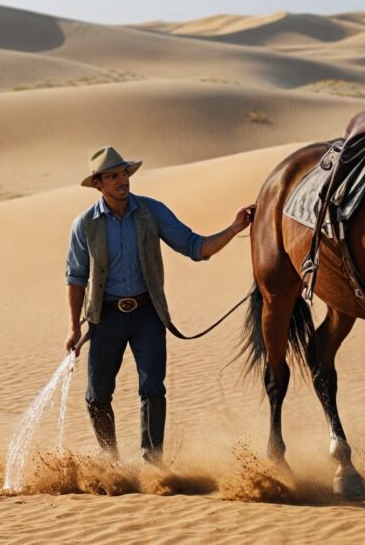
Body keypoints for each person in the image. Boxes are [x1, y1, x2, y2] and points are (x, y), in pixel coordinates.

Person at [65, 146, 253, 463]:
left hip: (147, 315)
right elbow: (76, 277)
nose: (122, 180)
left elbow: (196, 247)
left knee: (153, 388)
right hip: (105, 317)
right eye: (113, 176)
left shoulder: (151, 212)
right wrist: (73, 327)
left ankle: (153, 462)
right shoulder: (85, 225)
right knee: (96, 395)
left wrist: (234, 229)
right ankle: (110, 461)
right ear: (98, 184)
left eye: (124, 173)